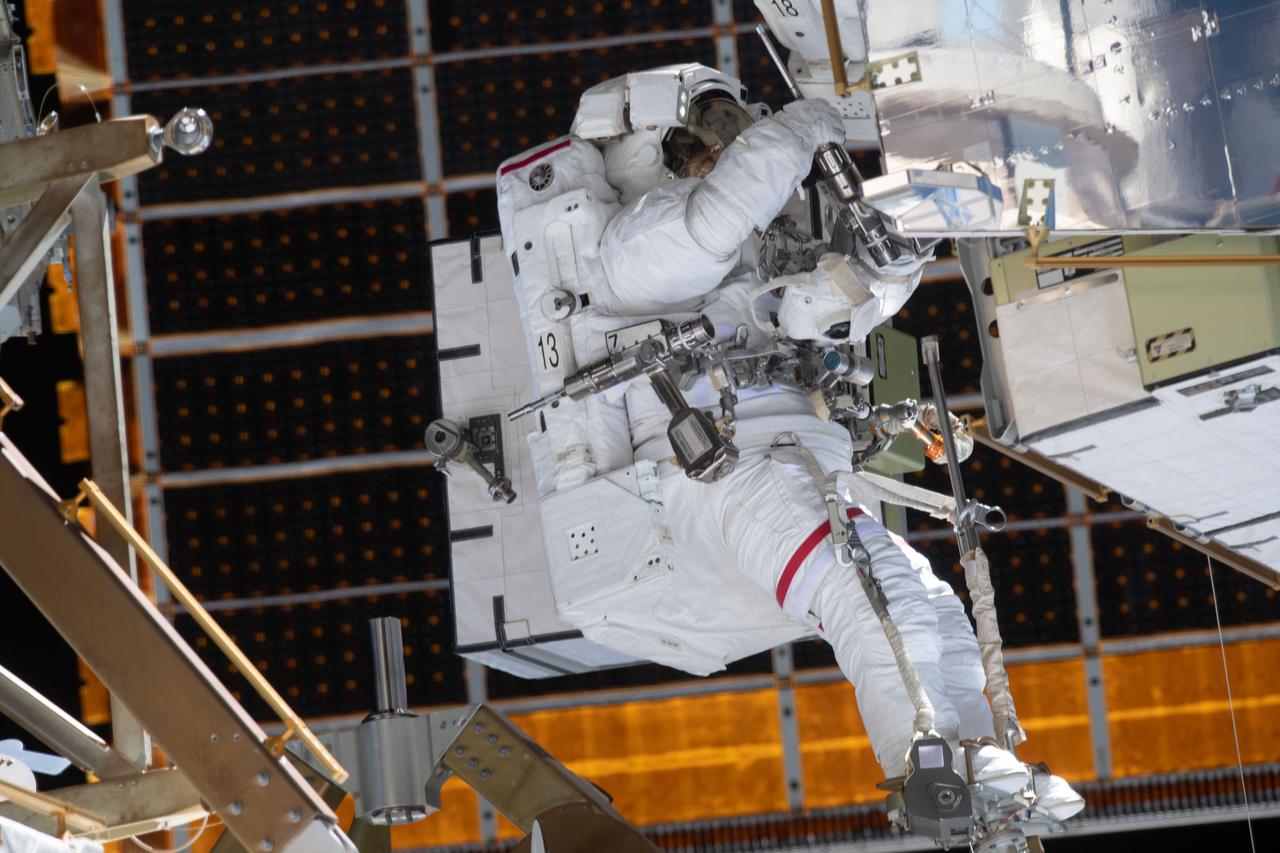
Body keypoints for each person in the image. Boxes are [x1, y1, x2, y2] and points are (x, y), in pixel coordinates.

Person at [496, 63, 1083, 829]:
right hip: (723, 476)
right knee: (864, 591)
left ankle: (977, 758)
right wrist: (812, 124)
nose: (724, 151)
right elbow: (730, 205)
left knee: (928, 602)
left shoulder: (734, 251)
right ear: (656, 145)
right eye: (709, 135)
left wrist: (915, 228)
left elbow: (831, 306)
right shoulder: (635, 246)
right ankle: (923, 761)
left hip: (777, 463)